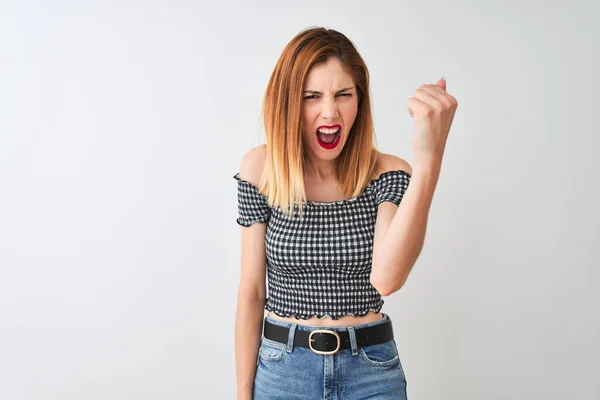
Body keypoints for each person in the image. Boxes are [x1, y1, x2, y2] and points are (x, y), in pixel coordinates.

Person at [233, 27, 457, 400]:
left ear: (360, 100)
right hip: (284, 372)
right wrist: (243, 396)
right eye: (312, 96)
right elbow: (252, 292)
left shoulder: (388, 173)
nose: (330, 111)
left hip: (370, 372)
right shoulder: (261, 169)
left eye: (343, 95)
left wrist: (429, 160)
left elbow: (386, 278)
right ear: (289, 103)